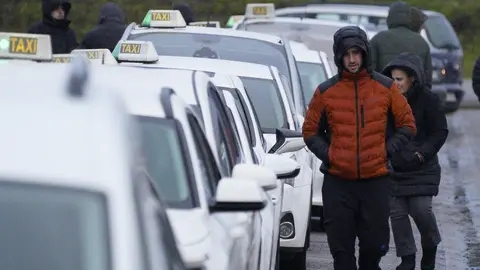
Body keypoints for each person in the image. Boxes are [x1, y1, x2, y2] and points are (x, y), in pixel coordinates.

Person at [302, 26, 416, 270]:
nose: (352, 59)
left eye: (356, 53)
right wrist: (331, 155)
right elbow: (310, 132)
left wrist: (385, 151)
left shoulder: (385, 88)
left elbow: (407, 125)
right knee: (341, 252)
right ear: (339, 57)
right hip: (338, 182)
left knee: (374, 247)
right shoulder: (325, 91)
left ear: (365, 54)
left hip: (375, 181)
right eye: (346, 54)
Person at [382, 52, 448, 270]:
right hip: (395, 167)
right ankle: (407, 259)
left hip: (422, 167)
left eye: (399, 79)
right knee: (397, 214)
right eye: (392, 79)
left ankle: (430, 249)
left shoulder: (429, 100)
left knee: (421, 210)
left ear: (412, 78)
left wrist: (421, 154)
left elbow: (439, 132)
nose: (395, 83)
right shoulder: (386, 100)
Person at [370, 1, 432, 88]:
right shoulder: (422, 42)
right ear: (408, 17)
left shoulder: (377, 39)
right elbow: (427, 79)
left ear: (390, 17)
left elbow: (369, 72)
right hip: (413, 99)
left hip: (384, 96)